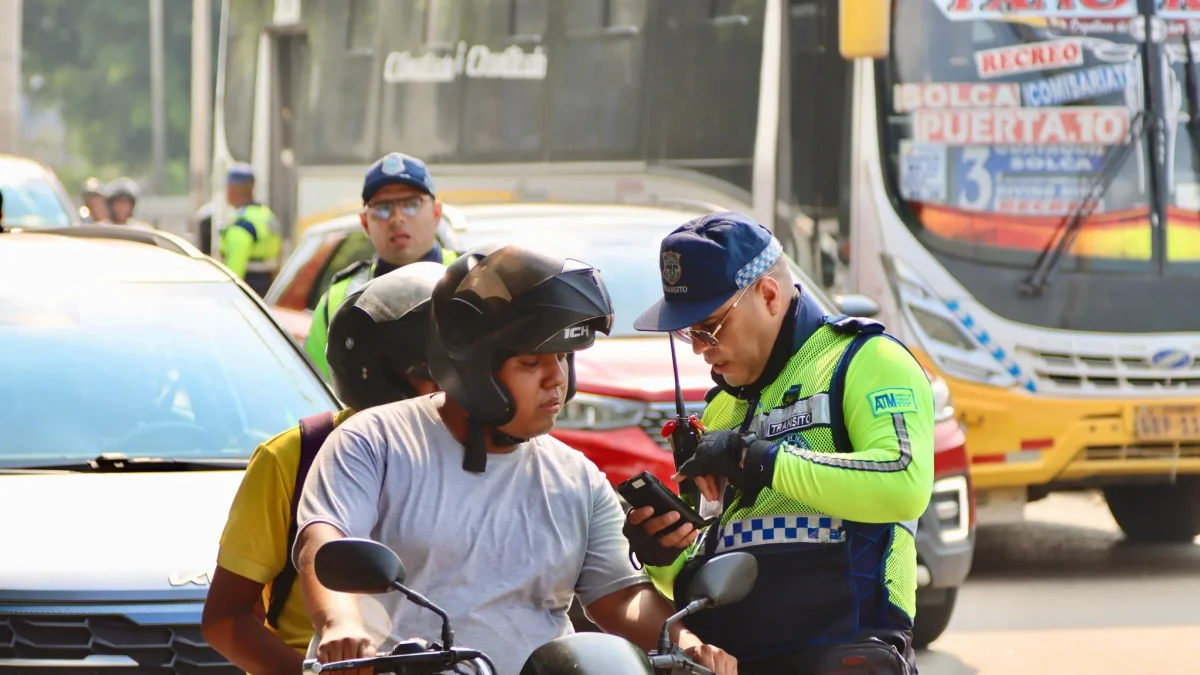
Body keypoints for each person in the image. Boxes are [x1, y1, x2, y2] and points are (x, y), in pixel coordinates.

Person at [292, 245, 737, 675]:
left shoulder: (576, 478)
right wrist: (341, 624)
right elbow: (326, 539)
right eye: (531, 362)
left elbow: (619, 595)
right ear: (472, 366)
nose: (557, 380)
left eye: (564, 358)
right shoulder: (374, 441)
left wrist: (687, 645)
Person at [625, 212, 934, 675]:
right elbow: (701, 573)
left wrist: (760, 460)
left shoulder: (866, 360)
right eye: (688, 332)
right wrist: (663, 556)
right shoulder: (719, 411)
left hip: (847, 658)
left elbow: (905, 483)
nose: (699, 347)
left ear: (768, 295)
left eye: (709, 326)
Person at [201, 261, 448, 674]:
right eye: (438, 371)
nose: (458, 385)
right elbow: (227, 618)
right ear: (383, 379)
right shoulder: (296, 456)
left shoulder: (489, 454)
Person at [304, 152, 458, 379]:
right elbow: (315, 388)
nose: (396, 218)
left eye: (411, 204)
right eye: (383, 207)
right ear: (365, 223)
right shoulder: (339, 300)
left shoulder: (472, 278)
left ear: (436, 213)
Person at [219, 163, 284, 297]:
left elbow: (235, 269)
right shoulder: (267, 215)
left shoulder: (242, 223)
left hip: (249, 292)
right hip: (269, 290)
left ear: (232, 189)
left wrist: (226, 294)